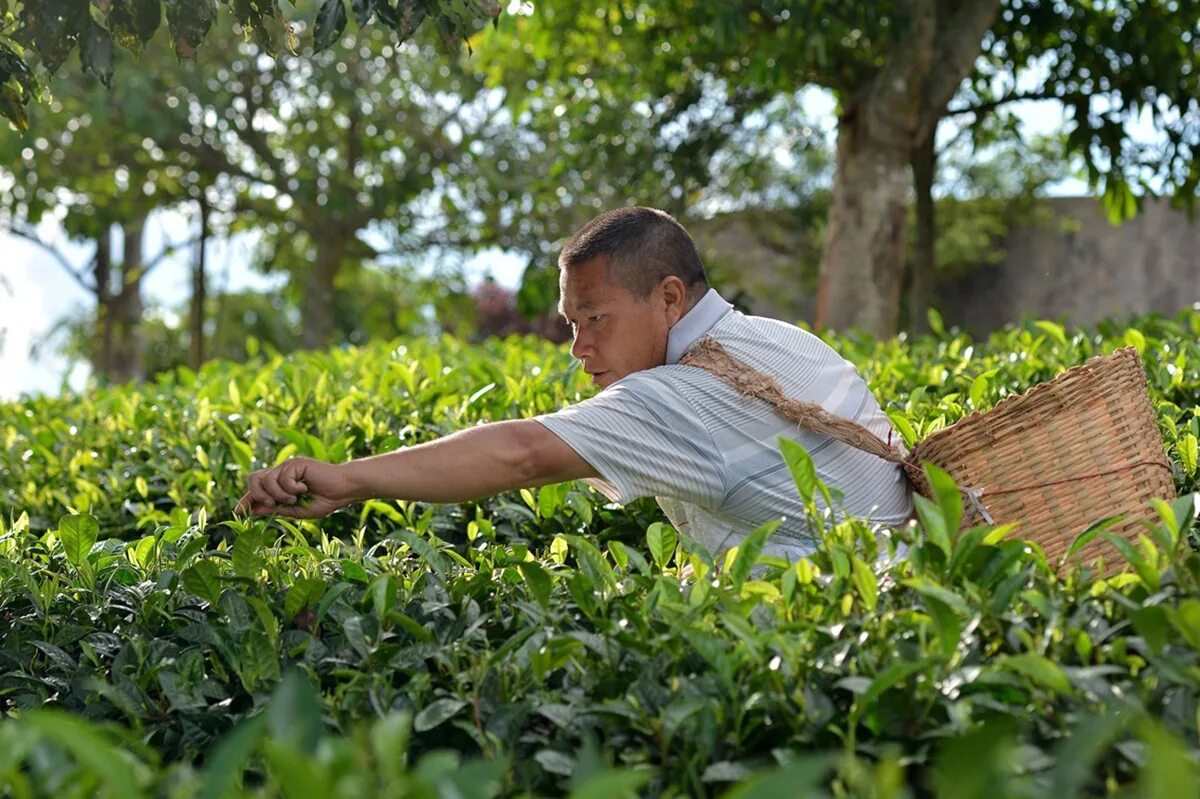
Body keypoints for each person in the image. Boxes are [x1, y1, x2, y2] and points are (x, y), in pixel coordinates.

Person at [237, 207, 913, 562]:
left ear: (670, 298)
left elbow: (522, 453)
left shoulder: (686, 394)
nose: (580, 349)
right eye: (570, 322)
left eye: (596, 319)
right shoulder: (780, 339)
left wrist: (347, 479)